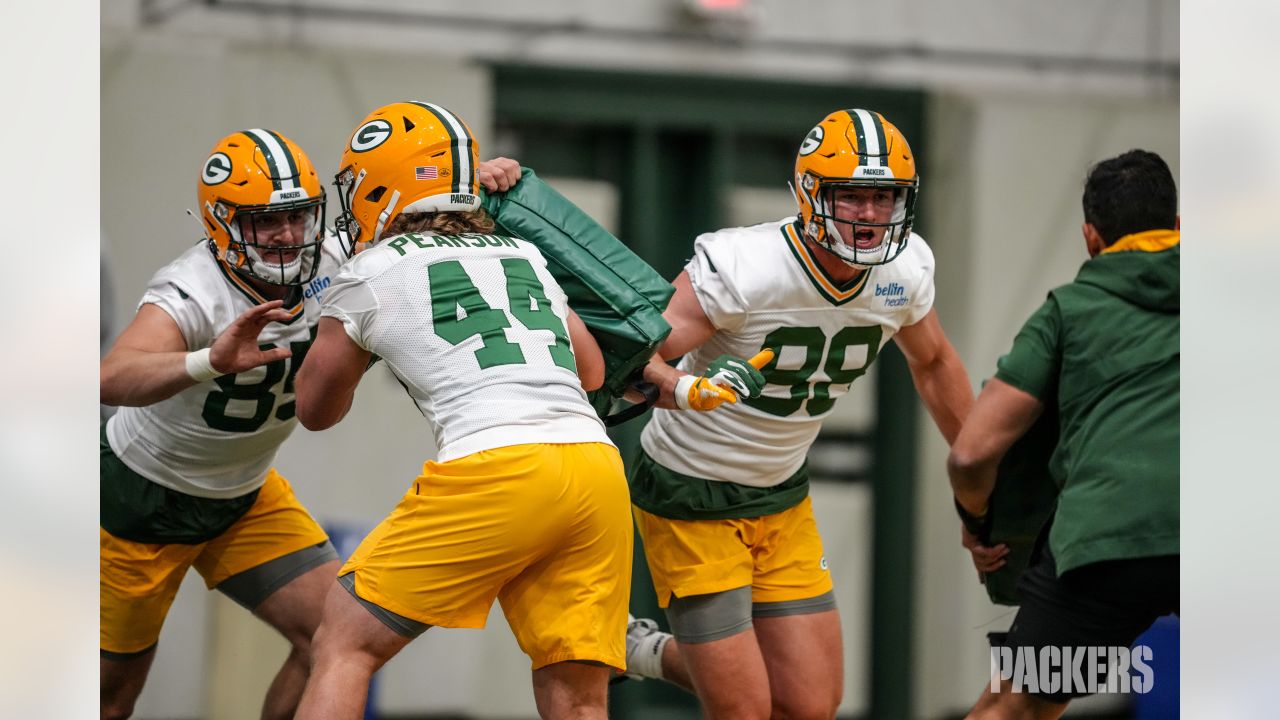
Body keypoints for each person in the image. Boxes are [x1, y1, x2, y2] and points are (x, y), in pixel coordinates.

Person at [289, 101, 743, 720]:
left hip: (496, 466)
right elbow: (591, 372)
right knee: (578, 696)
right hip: (593, 468)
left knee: (344, 644)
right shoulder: (522, 254)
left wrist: (359, 340)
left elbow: (315, 410)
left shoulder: (368, 271)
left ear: (381, 184)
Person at [623, 108, 975, 720]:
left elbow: (936, 363)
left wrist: (978, 478)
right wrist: (684, 390)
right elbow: (631, 363)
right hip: (690, 492)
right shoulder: (745, 267)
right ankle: (636, 647)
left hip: (782, 491)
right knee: (745, 711)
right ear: (812, 194)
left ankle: (641, 647)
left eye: (884, 198)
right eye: (852, 196)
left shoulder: (906, 269)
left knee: (810, 706)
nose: (869, 215)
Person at [98, 128, 344, 720]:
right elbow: (109, 377)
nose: (287, 235)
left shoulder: (336, 257)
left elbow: (420, 220)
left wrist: (475, 182)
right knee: (109, 699)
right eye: (264, 221)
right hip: (144, 499)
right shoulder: (194, 289)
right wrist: (209, 360)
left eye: (296, 216)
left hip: (247, 492)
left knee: (340, 638)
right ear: (223, 223)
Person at [948, 149, 1179, 719]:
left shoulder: (1069, 311)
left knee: (1015, 706)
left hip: (1105, 548)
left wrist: (980, 523)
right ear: (1178, 228)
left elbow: (972, 453)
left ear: (1090, 237)